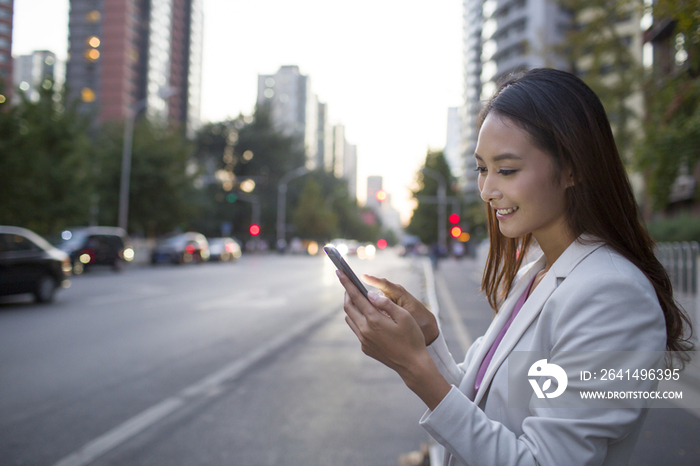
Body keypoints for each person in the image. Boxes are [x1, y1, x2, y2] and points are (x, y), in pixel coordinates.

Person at [336, 68, 694, 466]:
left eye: (506, 170)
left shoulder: (611, 293)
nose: (488, 190)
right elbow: (485, 409)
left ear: (573, 167)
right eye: (482, 169)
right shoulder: (539, 273)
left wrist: (414, 367)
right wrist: (428, 340)